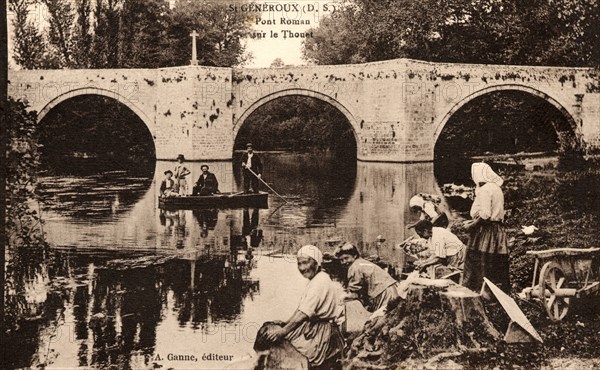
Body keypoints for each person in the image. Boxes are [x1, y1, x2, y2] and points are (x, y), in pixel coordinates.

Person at [264, 245, 344, 370]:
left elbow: (304, 313)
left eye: (306, 263)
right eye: (299, 264)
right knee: (271, 331)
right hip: (314, 326)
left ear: (317, 263)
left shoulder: (319, 282)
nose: (302, 268)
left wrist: (283, 331)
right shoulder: (316, 279)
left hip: (322, 332)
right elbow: (302, 308)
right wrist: (287, 322)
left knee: (284, 346)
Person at [462, 162, 510, 293]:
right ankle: (497, 291)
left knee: (478, 261)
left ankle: (477, 291)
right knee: (496, 261)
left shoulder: (484, 190)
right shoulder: (496, 188)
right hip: (497, 230)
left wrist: (470, 226)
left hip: (485, 231)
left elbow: (485, 215)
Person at [335, 242, 399, 312]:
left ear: (355, 255)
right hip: (391, 289)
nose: (344, 262)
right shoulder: (361, 262)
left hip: (383, 292)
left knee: (380, 317)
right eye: (341, 260)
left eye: (346, 258)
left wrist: (344, 297)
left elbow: (355, 291)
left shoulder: (354, 267)